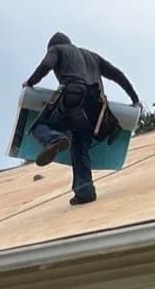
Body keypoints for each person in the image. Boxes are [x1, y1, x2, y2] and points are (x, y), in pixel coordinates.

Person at [22, 32, 140, 206]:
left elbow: (47, 64)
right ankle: (85, 191)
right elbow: (117, 75)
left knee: (39, 126)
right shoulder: (91, 56)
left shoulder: (57, 49)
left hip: (74, 95)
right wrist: (134, 99)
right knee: (79, 147)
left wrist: (30, 82)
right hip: (97, 109)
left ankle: (53, 138)